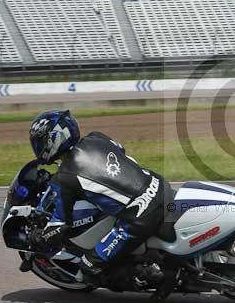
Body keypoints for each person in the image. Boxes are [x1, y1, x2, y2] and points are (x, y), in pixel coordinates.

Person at [27, 110, 172, 282]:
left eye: (41, 141)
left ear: (54, 139)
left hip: (141, 216)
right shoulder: (96, 137)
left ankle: (158, 277)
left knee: (90, 266)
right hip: (158, 184)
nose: (38, 146)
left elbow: (60, 226)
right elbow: (119, 154)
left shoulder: (64, 178)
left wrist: (39, 238)